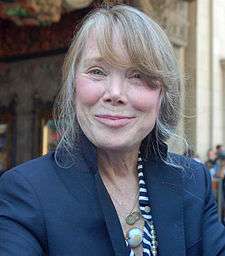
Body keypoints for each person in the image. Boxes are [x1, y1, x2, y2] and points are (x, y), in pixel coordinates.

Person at [0, 5, 225, 256]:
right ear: (73, 85)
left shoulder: (193, 181)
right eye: (97, 71)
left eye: (138, 75)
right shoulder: (24, 192)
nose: (115, 93)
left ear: (162, 94)